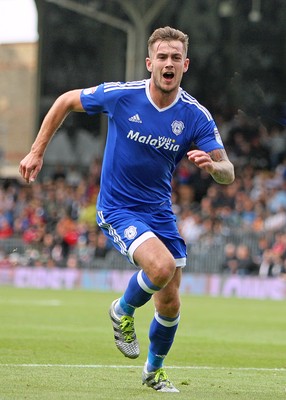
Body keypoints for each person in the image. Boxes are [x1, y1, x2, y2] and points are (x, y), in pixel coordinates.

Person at [19, 26, 235, 392]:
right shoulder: (122, 96)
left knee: (170, 303)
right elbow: (65, 101)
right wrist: (37, 150)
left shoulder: (195, 115)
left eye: (175, 58)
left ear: (186, 64)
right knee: (162, 267)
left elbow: (228, 172)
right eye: (162, 57)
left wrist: (214, 168)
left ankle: (153, 371)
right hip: (118, 207)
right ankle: (122, 309)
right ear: (150, 62)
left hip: (159, 213)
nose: (169, 63)